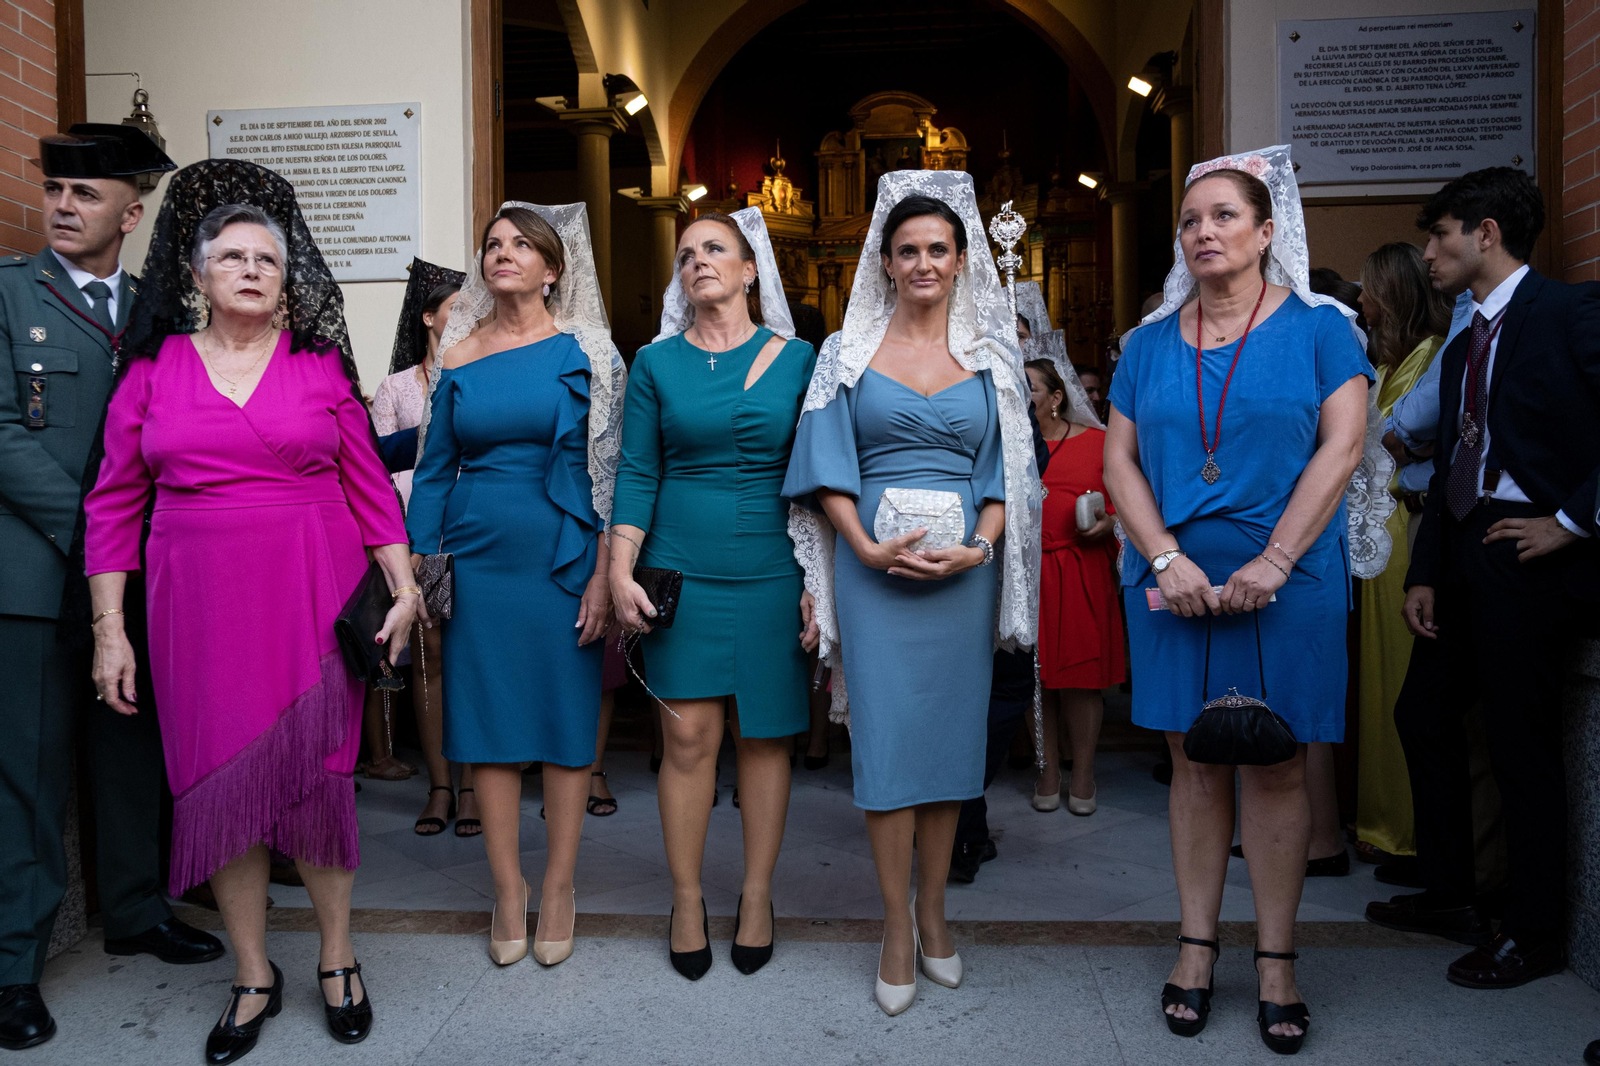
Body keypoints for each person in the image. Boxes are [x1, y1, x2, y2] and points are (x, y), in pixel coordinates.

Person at [85, 162, 422, 1062]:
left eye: (265, 260)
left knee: (319, 778)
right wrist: (109, 628)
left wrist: (404, 585)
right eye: (229, 257)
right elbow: (112, 504)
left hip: (311, 591)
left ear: (288, 282)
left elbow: (369, 491)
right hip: (192, 602)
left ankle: (339, 960)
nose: (247, 270)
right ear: (196, 277)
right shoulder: (151, 372)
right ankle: (251, 971)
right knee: (218, 788)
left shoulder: (318, 370)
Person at [1103, 145, 1377, 1054]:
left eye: (1224, 215)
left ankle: (1277, 960)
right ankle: (1193, 946)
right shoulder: (1144, 344)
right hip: (1175, 580)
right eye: (1190, 220)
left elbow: (1342, 446)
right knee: (1193, 763)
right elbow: (1120, 465)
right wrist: (1165, 556)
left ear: (1267, 232)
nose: (1204, 231)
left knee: (1279, 764)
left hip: (1286, 578)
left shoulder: (1320, 329)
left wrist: (1277, 557)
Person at [784, 172, 1042, 1016]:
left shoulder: (992, 361)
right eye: (907, 251)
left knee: (949, 751)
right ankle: (895, 922)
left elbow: (1007, 479)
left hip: (962, 576)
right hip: (875, 574)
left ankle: (937, 913)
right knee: (890, 748)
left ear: (962, 259)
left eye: (938, 249)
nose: (924, 262)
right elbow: (824, 467)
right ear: (885, 263)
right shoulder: (845, 357)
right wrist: (859, 548)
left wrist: (979, 549)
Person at [0, 125, 222, 1052]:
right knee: (28, 773)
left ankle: (136, 909)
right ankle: (13, 965)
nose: (62, 205)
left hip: (135, 577)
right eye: (55, 189)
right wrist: (94, 524)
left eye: (85, 194)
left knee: (131, 756)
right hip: (34, 578)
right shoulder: (11, 295)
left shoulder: (156, 312)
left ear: (131, 214)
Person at [1369, 167, 1600, 989]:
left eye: (1440, 235)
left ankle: (1533, 931)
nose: (1429, 251)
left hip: (1532, 559)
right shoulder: (1466, 339)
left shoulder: (1570, 313)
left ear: (1486, 235)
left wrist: (1570, 522)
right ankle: (1452, 892)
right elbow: (1456, 454)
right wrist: (1427, 570)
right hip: (1463, 552)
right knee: (1423, 713)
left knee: (1519, 744)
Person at [408, 202, 623, 970]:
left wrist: (603, 573)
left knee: (567, 726)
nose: (503, 254)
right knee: (488, 727)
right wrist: (424, 575)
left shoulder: (588, 351)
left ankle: (559, 887)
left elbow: (612, 470)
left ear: (552, 268)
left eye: (520, 245)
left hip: (563, 556)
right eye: (493, 245)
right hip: (478, 557)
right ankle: (507, 888)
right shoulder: (457, 357)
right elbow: (432, 473)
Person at [610, 207, 817, 980]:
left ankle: (757, 895)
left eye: (715, 250)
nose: (698, 261)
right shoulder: (655, 364)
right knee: (688, 738)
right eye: (687, 253)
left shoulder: (799, 359)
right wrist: (618, 569)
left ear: (750, 268)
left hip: (770, 565)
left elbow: (819, 475)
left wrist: (817, 584)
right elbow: (637, 470)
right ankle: (689, 897)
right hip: (679, 564)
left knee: (764, 736)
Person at [1352, 243, 1450, 872]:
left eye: (1370, 290)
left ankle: (1410, 831)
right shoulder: (1388, 365)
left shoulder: (1429, 356)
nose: (1361, 301)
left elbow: (1402, 441)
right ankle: (1384, 822)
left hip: (1403, 537)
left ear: (1395, 295)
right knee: (1379, 685)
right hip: (1376, 540)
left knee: (1405, 686)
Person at [371, 265, 479, 836]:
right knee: (430, 654)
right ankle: (440, 785)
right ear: (429, 317)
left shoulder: (487, 371)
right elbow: (378, 462)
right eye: (453, 308)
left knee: (476, 654)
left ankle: (474, 788)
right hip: (418, 528)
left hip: (477, 525)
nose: (463, 317)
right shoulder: (393, 388)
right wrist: (431, 439)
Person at [1025, 358, 1122, 815]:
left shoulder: (1100, 443)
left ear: (1057, 397)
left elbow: (1131, 501)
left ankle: (1083, 772)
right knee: (1033, 677)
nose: (1023, 398)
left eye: (1030, 389)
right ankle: (1046, 768)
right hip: (1027, 576)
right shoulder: (1009, 445)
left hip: (1081, 570)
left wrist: (1112, 526)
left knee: (1082, 679)